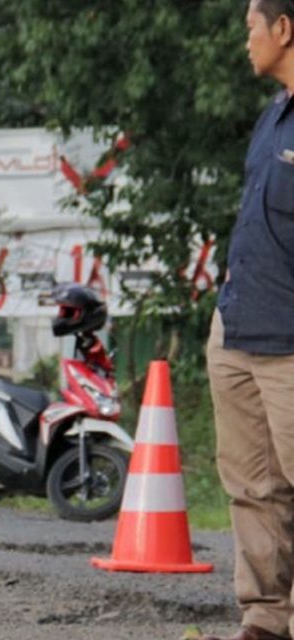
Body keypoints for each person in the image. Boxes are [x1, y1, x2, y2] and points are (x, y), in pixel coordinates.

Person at [203, 3, 294, 640]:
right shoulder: (272, 117)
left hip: (291, 339)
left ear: (284, 29)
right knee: (251, 487)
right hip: (238, 329)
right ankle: (264, 618)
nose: (247, 43)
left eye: (251, 28)